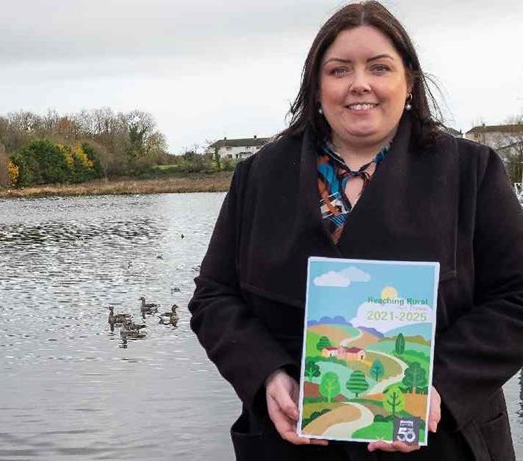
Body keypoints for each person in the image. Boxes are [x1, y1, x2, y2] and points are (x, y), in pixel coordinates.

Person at [188, 2, 523, 460]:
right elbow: (213, 296)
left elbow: (517, 297)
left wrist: (440, 381)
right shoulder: (259, 176)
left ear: (408, 82)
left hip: (442, 440)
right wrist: (267, 373)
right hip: (291, 443)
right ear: (317, 86)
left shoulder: (471, 171)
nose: (359, 84)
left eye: (379, 67)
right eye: (339, 69)